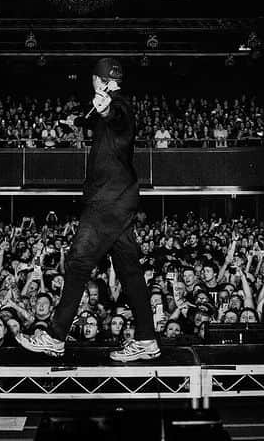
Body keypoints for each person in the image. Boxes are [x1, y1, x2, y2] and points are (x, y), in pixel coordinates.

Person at [16, 58, 160, 362]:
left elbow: (116, 118)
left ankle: (55, 337)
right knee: (130, 271)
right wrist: (77, 121)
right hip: (120, 199)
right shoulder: (112, 105)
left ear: (98, 80)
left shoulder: (119, 105)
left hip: (107, 200)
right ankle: (147, 339)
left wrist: (106, 107)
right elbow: (97, 120)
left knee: (79, 262)